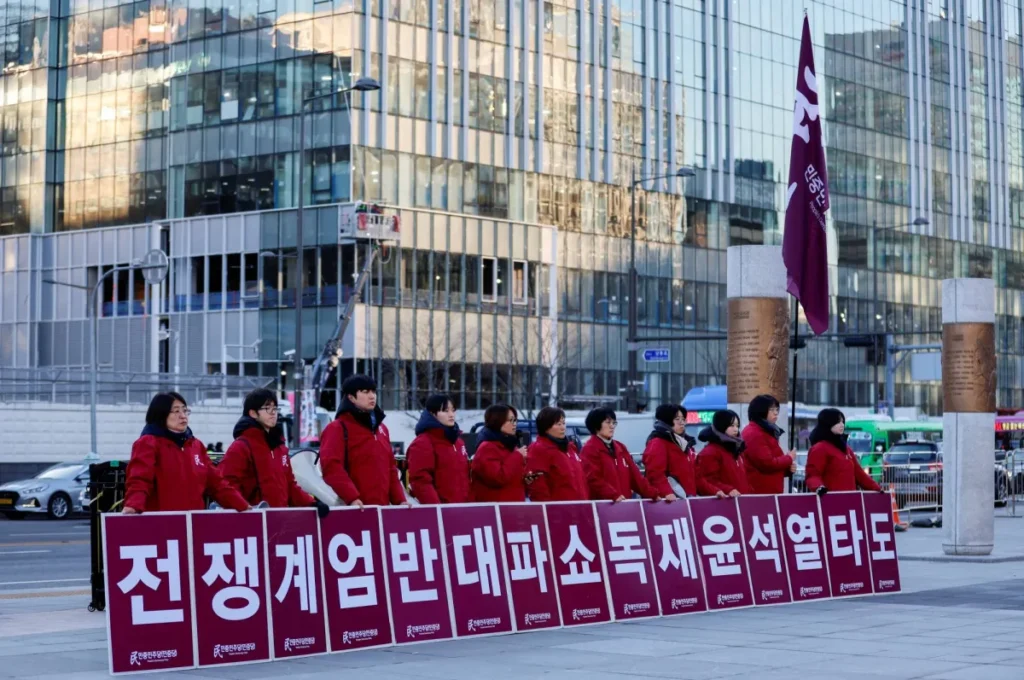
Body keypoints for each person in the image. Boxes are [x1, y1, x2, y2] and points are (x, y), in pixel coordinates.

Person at [123, 392, 249, 514]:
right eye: (176, 411)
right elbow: (139, 479)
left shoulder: (196, 445)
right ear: (160, 414)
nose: (183, 416)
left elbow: (217, 484)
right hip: (161, 524)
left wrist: (242, 506)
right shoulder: (148, 443)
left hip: (194, 524)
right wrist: (133, 506)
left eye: (185, 410)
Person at [220, 388, 327, 516]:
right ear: (253, 413)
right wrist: (244, 508)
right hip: (253, 522)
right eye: (267, 408)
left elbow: (290, 486)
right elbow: (226, 485)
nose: (273, 413)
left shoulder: (279, 447)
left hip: (280, 521)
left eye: (275, 408)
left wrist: (312, 503)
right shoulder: (241, 447)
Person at [320, 375, 410, 507]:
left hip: (382, 508)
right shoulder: (337, 428)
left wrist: (400, 500)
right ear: (351, 397)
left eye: (373, 391)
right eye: (365, 392)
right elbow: (331, 468)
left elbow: (391, 468)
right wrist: (352, 498)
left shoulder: (382, 429)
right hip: (353, 508)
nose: (372, 396)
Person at [581, 407, 664, 502]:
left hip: (624, 505)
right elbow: (593, 479)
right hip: (603, 506)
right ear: (596, 425)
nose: (612, 426)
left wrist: (653, 494)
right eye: (608, 423)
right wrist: (613, 495)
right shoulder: (589, 449)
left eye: (614, 423)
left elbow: (636, 476)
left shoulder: (620, 447)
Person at [406, 394, 470, 504]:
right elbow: (420, 481)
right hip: (441, 512)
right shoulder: (423, 443)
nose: (451, 415)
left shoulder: (458, 442)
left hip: (462, 510)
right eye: (445, 411)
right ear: (432, 413)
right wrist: (437, 509)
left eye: (453, 410)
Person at [805, 408, 882, 494]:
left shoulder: (846, 449)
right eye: (838, 422)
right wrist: (818, 487)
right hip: (830, 500)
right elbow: (813, 474)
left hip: (850, 500)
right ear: (828, 424)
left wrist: (877, 488)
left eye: (842, 422)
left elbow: (859, 474)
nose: (842, 425)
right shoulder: (819, 448)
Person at [526, 406, 588, 502]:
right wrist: (549, 510)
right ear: (546, 427)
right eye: (558, 424)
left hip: (580, 509)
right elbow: (537, 487)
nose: (563, 427)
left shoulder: (570, 448)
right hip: (558, 511)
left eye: (563, 423)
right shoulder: (538, 449)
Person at [470, 404, 528, 502]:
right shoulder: (487, 448)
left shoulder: (510, 445)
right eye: (510, 420)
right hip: (495, 510)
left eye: (515, 420)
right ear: (497, 421)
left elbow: (513, 475)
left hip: (514, 507)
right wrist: (517, 456)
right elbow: (497, 478)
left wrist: (527, 478)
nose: (514, 424)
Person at [742, 394, 797, 494]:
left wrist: (787, 469)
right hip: (760, 494)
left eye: (777, 409)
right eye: (771, 410)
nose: (776, 413)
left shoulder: (767, 431)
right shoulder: (754, 433)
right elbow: (766, 464)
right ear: (760, 411)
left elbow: (770, 465)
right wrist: (788, 458)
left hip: (769, 492)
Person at [643, 404, 698, 497]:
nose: (682, 423)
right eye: (677, 419)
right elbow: (655, 474)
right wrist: (667, 493)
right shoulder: (658, 442)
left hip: (688, 500)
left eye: (683, 419)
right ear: (667, 421)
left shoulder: (686, 444)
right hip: (670, 502)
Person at [696, 410, 752, 497]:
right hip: (724, 503)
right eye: (731, 425)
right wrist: (728, 489)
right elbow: (707, 481)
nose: (735, 429)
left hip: (741, 502)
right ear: (721, 426)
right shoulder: (710, 452)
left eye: (737, 426)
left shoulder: (737, 449)